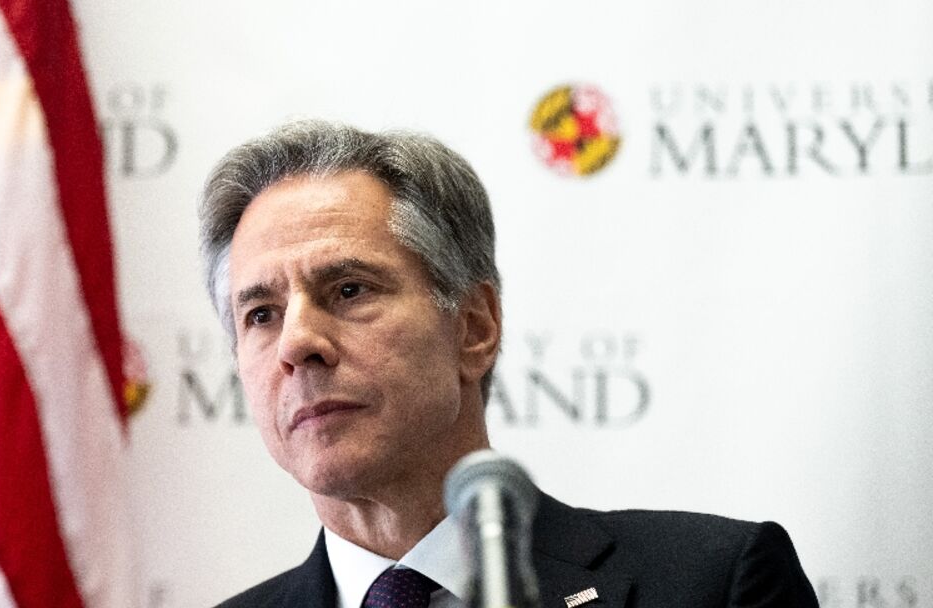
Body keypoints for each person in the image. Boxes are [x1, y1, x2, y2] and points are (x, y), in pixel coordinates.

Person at [198, 120, 817, 608]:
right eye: (261, 314)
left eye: (350, 290)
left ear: (475, 327)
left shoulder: (711, 583)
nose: (297, 342)